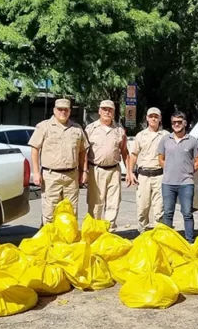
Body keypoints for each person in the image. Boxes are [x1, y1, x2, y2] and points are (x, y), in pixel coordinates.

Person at [29, 98, 88, 225]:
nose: (63, 112)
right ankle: (49, 240)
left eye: (66, 110)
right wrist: (36, 173)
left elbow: (83, 152)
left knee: (71, 212)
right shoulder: (44, 127)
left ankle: (67, 241)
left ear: (70, 111)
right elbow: (35, 149)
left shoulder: (77, 129)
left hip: (71, 176)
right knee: (49, 212)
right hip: (51, 176)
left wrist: (84, 171)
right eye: (60, 109)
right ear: (54, 110)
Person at [85, 100, 128, 232]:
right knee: (96, 203)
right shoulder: (90, 129)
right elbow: (83, 152)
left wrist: (130, 172)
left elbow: (125, 151)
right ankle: (95, 232)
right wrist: (83, 171)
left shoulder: (119, 130)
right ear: (99, 111)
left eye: (110, 110)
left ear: (114, 112)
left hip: (114, 170)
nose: (107, 112)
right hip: (95, 170)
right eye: (104, 109)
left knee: (113, 202)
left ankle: (109, 231)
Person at [157, 111, 198, 242]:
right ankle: (167, 242)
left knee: (187, 213)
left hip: (186, 183)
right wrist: (169, 169)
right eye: (174, 122)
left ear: (185, 123)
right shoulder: (165, 140)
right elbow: (160, 159)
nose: (176, 124)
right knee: (168, 214)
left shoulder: (192, 141)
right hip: (168, 183)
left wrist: (189, 171)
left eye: (179, 122)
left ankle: (190, 241)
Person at [127, 107, 168, 232]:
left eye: (156, 116)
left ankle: (158, 236)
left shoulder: (166, 135)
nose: (153, 118)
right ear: (147, 118)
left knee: (159, 210)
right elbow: (133, 155)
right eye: (151, 116)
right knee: (142, 208)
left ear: (160, 118)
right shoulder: (140, 135)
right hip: (143, 176)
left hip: (159, 175)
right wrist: (130, 172)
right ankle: (142, 234)